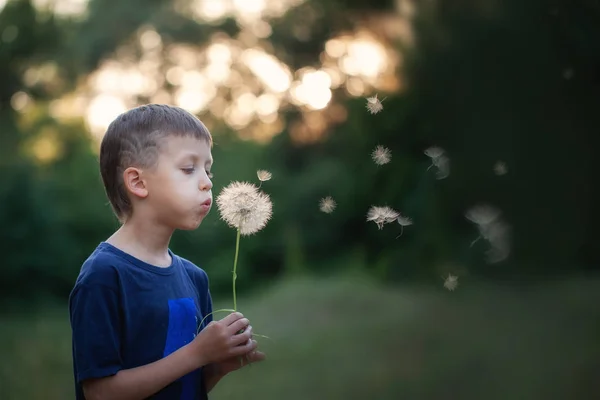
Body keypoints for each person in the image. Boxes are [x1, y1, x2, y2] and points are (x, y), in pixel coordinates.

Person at [68, 104, 265, 400]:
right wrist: (197, 354)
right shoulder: (104, 276)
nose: (207, 182)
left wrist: (216, 367)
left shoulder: (195, 277)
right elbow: (100, 393)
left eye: (208, 170)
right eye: (189, 169)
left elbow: (183, 384)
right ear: (138, 182)